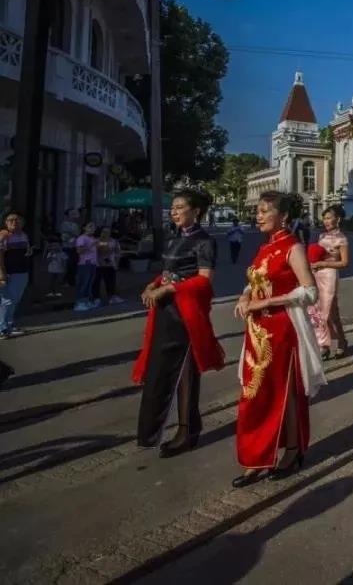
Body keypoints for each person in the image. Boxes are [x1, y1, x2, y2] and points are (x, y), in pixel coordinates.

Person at [231, 191, 324, 487]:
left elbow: (310, 292)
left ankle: (292, 450)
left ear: (282, 216)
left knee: (281, 393)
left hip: (281, 331)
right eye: (257, 210)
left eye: (264, 211)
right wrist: (245, 296)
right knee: (254, 395)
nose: (258, 215)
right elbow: (254, 279)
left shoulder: (292, 247)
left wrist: (265, 304)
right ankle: (258, 455)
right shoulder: (263, 248)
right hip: (257, 330)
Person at [133, 189, 225, 457]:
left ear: (196, 211)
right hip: (165, 312)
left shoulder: (205, 241)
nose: (173, 212)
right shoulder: (175, 239)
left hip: (185, 313)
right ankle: (156, 431)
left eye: (179, 207)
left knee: (184, 371)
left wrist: (168, 290)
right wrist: (152, 286)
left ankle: (187, 430)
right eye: (172, 207)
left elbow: (204, 279)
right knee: (160, 371)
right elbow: (167, 274)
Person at [312, 205, 350, 359]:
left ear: (338, 219)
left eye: (329, 218)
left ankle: (342, 342)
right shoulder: (321, 237)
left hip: (330, 276)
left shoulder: (342, 239)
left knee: (330, 313)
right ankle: (324, 345)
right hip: (317, 275)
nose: (326, 221)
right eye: (324, 218)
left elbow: (344, 262)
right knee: (317, 312)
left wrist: (324, 264)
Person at [0, 212, 33, 339]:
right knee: (6, 301)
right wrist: (2, 273)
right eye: (10, 220)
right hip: (9, 272)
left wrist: (29, 251)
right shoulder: (4, 236)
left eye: (17, 220)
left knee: (14, 301)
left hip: (22, 272)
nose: (14, 222)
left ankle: (9, 325)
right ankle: (2, 328)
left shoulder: (24, 235)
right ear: (6, 223)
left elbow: (26, 250)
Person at [73, 222, 100, 311]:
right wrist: (91, 245)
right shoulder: (82, 238)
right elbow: (79, 251)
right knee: (83, 283)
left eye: (94, 227)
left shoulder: (92, 238)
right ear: (84, 228)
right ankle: (79, 303)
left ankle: (87, 301)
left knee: (89, 284)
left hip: (93, 263)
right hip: (85, 263)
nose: (92, 229)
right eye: (90, 226)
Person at [95, 226, 122, 305]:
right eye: (104, 231)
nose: (106, 233)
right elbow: (103, 250)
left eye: (108, 232)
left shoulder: (114, 241)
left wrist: (116, 262)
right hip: (99, 264)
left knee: (111, 281)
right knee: (97, 281)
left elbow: (118, 252)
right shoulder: (98, 241)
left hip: (111, 264)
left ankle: (112, 297)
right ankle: (96, 298)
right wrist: (104, 241)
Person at [59, 208, 80, 287]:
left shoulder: (75, 225)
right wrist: (72, 234)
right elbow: (65, 236)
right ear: (68, 215)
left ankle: (70, 280)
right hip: (67, 247)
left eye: (74, 214)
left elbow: (77, 234)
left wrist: (72, 234)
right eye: (72, 214)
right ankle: (68, 281)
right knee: (69, 264)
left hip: (74, 246)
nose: (74, 216)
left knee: (74, 264)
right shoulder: (64, 224)